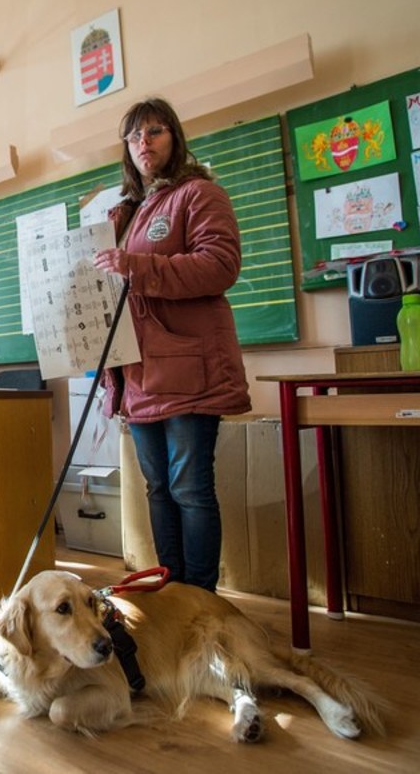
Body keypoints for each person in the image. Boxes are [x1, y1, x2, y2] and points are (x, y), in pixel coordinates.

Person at [92, 97, 251, 592]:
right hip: (139, 374)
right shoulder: (125, 212)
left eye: (155, 131)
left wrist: (136, 267)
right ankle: (173, 593)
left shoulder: (198, 193)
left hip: (188, 369)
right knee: (158, 490)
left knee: (189, 489)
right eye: (135, 135)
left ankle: (201, 602)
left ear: (175, 138)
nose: (144, 142)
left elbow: (220, 265)